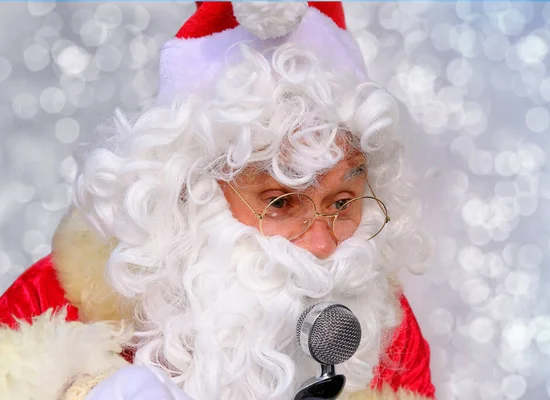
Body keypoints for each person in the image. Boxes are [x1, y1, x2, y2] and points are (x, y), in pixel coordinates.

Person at [0, 2, 435, 400]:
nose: (322, 245)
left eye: (342, 202)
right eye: (281, 203)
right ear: (193, 192)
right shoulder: (56, 301)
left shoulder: (384, 324)